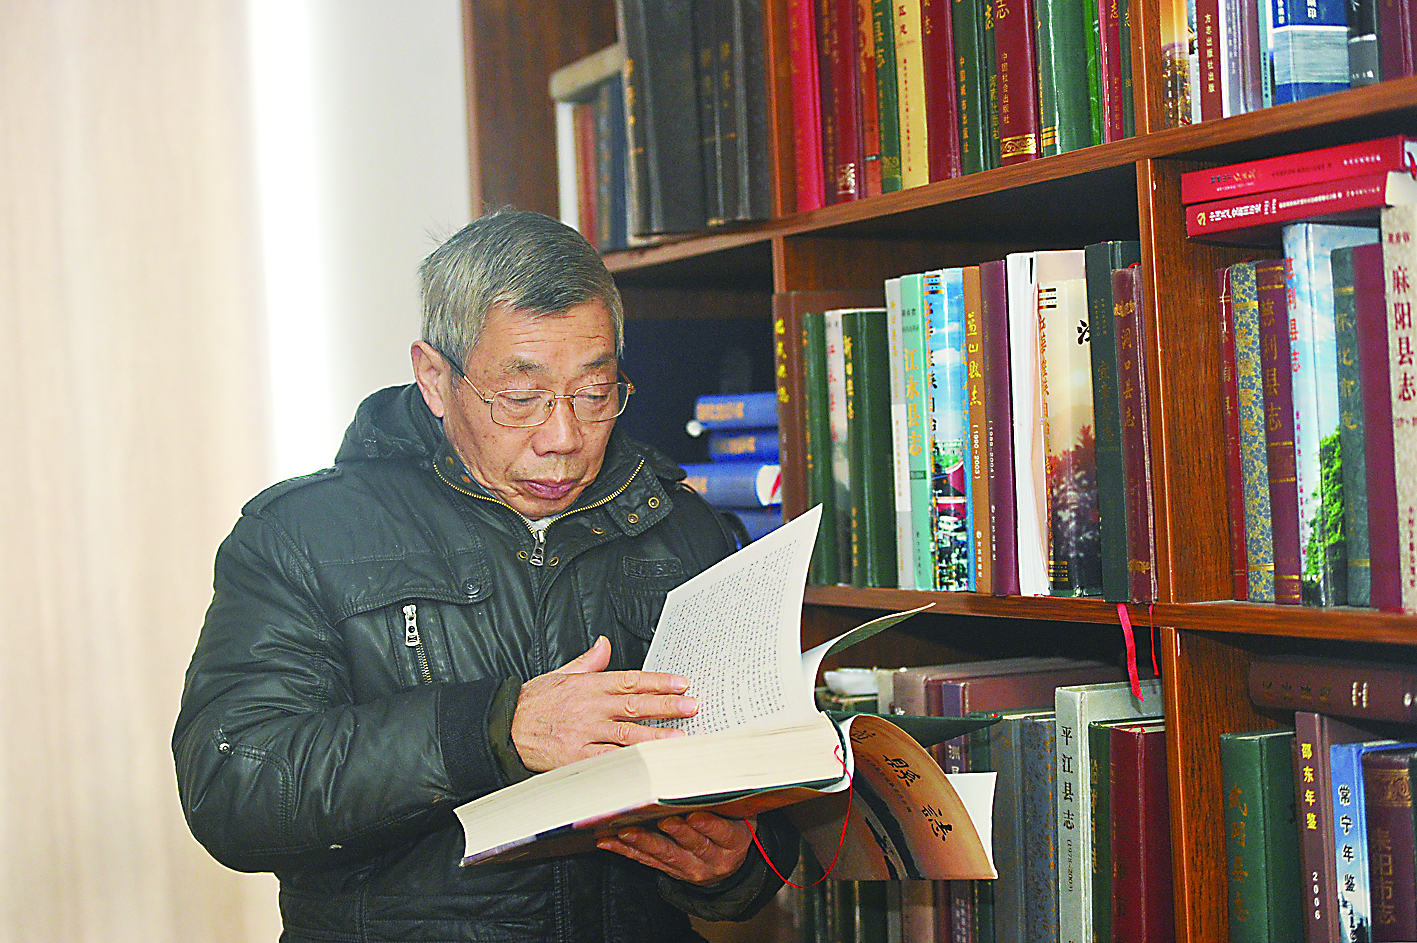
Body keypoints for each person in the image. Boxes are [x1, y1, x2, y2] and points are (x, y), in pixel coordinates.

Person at [173, 209, 798, 942]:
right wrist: (492, 731)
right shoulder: (305, 535)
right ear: (435, 379)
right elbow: (234, 787)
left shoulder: (681, 527)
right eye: (520, 399)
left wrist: (734, 867)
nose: (562, 436)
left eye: (595, 393)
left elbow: (764, 788)